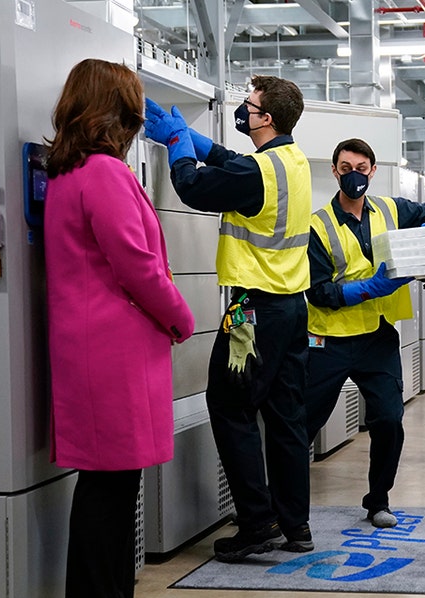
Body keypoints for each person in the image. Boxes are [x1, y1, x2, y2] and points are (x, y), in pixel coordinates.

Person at [44, 58, 194, 598]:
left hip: (99, 347)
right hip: (110, 351)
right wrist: (183, 317)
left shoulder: (69, 171)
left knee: (111, 491)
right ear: (116, 110)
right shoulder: (103, 174)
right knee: (108, 496)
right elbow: (136, 264)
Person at [144, 76, 314, 562]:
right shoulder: (291, 160)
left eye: (250, 105)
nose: (244, 109)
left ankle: (257, 523)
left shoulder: (259, 172)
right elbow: (237, 165)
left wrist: (180, 146)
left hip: (252, 311)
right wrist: (199, 140)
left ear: (266, 119)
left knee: (229, 403)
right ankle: (295, 525)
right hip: (290, 308)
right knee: (285, 417)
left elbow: (194, 186)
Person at [305, 138, 425, 529]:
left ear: (373, 170)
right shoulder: (317, 225)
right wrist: (372, 287)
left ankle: (378, 501)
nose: (355, 174)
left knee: (389, 420)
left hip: (378, 338)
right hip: (328, 340)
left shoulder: (390, 208)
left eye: (362, 167)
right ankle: (278, 502)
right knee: (301, 425)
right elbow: (319, 291)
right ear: (335, 172)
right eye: (346, 167)